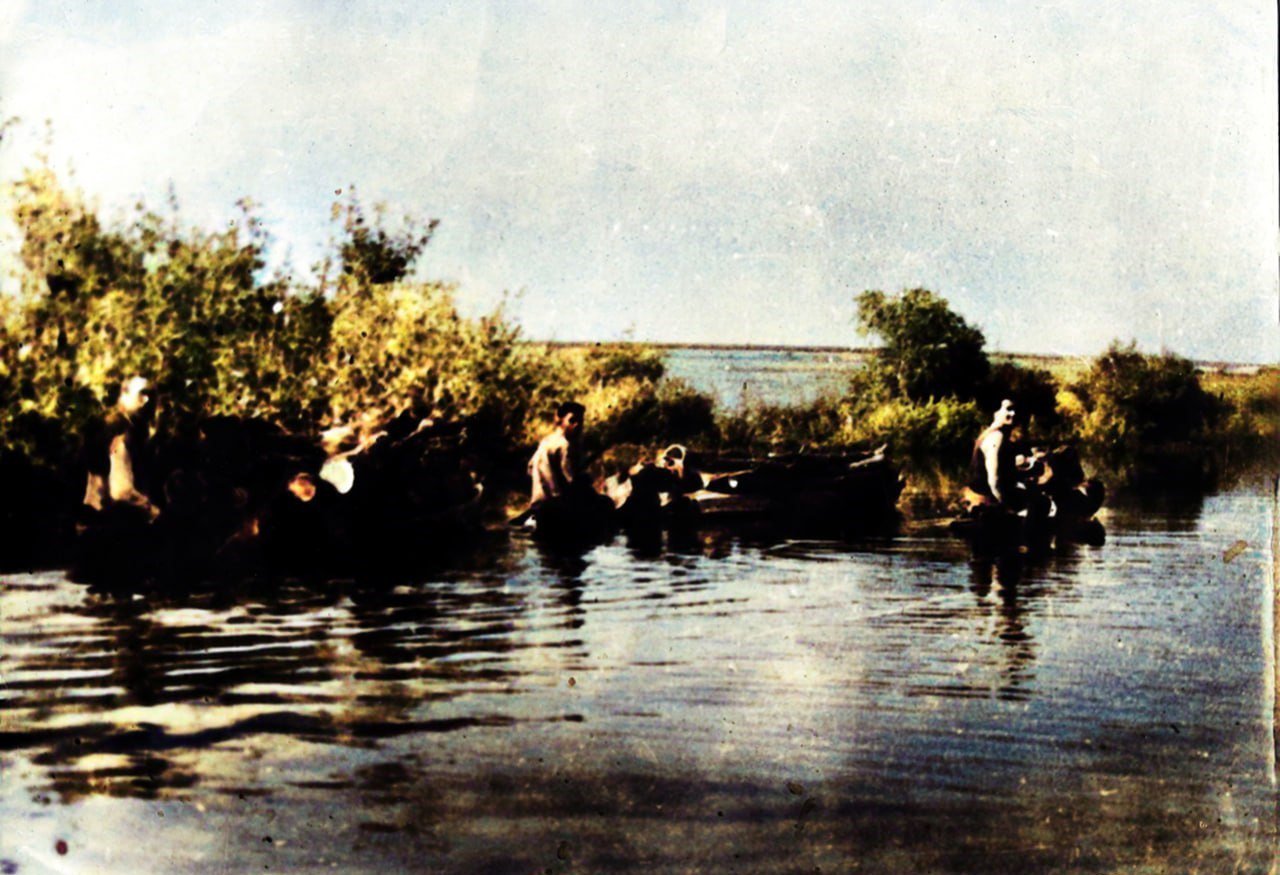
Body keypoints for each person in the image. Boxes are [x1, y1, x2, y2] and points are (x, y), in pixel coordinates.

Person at [82, 376, 161, 520]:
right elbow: (113, 494)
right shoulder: (111, 444)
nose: (145, 400)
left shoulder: (134, 437)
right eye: (140, 394)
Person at [964, 398, 1026, 512]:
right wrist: (1009, 508)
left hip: (984, 498)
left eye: (1015, 410)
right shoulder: (996, 437)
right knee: (1041, 504)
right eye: (1008, 409)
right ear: (996, 413)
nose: (1013, 413)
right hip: (986, 502)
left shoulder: (993, 433)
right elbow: (994, 480)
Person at [528, 401, 588, 508]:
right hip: (557, 505)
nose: (577, 425)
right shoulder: (564, 445)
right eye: (572, 420)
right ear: (560, 420)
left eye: (580, 421)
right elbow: (571, 478)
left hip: (539, 502)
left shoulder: (546, 442)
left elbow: (530, 468)